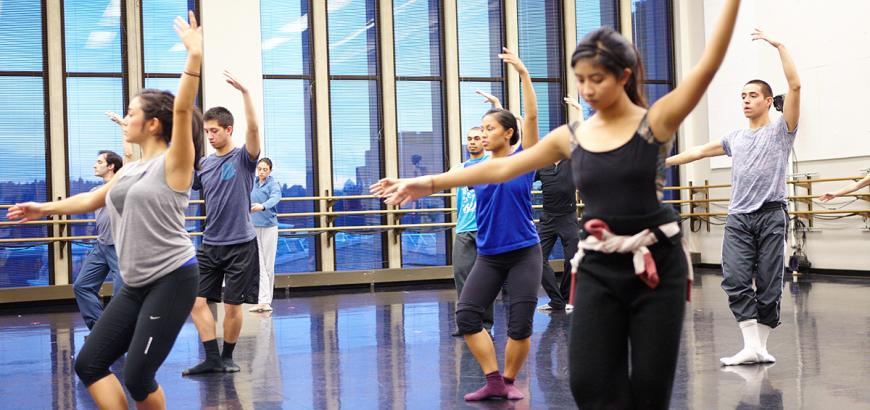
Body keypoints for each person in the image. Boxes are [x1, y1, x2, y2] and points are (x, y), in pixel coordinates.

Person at [371, 1, 741, 407]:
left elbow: (707, 65)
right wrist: (427, 183)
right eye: (580, 80)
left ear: (624, 76)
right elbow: (500, 168)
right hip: (599, 261)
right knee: (586, 381)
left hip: (655, 261)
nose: (587, 89)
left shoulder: (655, 121)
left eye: (597, 79)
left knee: (650, 389)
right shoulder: (572, 136)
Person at [8, 12, 204, 408]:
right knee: (90, 363)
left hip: (171, 279)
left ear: (153, 124)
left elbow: (182, 111)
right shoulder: (130, 168)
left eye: (132, 113)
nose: (126, 118)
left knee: (138, 376)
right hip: (133, 283)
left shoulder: (176, 162)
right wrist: (42, 208)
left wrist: (194, 57)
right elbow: (91, 199)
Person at [381, 47, 542, 402]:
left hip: (524, 253)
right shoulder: (474, 169)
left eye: (489, 129)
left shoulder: (524, 160)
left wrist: (524, 75)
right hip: (489, 254)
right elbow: (437, 180)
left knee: (520, 325)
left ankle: (510, 381)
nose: (482, 135)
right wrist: (407, 184)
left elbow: (530, 116)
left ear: (509, 133)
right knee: (467, 316)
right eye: (481, 129)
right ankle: (493, 380)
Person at [667, 28, 801, 366]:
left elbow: (796, 86)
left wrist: (780, 46)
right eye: (743, 95)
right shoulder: (735, 137)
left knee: (769, 284)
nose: (746, 100)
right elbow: (699, 151)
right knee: (735, 279)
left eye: (753, 95)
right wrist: (662, 161)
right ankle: (751, 346)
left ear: (768, 101)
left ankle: (760, 347)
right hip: (739, 218)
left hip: (771, 214)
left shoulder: (781, 131)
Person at [185, 70, 262, 375]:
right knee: (196, 302)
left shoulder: (244, 159)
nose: (210, 136)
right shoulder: (204, 164)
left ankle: (228, 356)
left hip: (241, 244)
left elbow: (253, 129)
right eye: (206, 131)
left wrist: (245, 93)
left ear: (229, 130)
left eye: (214, 130)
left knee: (232, 306)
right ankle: (212, 358)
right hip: (211, 244)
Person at [72, 150, 124, 330]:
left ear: (111, 166)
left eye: (100, 162)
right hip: (101, 246)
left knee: (122, 295)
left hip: (120, 247)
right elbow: (81, 203)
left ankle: (118, 333)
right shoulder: (96, 191)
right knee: (82, 286)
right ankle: (100, 330)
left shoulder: (122, 188)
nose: (95, 165)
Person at [450, 126, 493, 337]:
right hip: (464, 229)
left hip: (485, 228)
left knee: (486, 277)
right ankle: (467, 322)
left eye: (476, 138)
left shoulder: (491, 163)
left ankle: (485, 324)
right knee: (461, 274)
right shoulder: (459, 168)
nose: (472, 142)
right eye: (469, 139)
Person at [534, 157, 579, 312]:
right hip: (548, 219)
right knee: (538, 259)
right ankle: (556, 301)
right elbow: (524, 178)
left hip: (568, 218)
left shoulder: (572, 161)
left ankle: (566, 298)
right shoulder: (542, 164)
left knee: (573, 259)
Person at [250, 157, 281, 313]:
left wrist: (262, 206)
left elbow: (275, 198)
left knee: (268, 266)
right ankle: (263, 301)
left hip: (269, 228)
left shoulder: (273, 184)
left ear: (270, 171)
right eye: (259, 169)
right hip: (254, 227)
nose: (261, 172)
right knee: (259, 265)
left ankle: (266, 301)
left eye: (265, 169)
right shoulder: (253, 183)